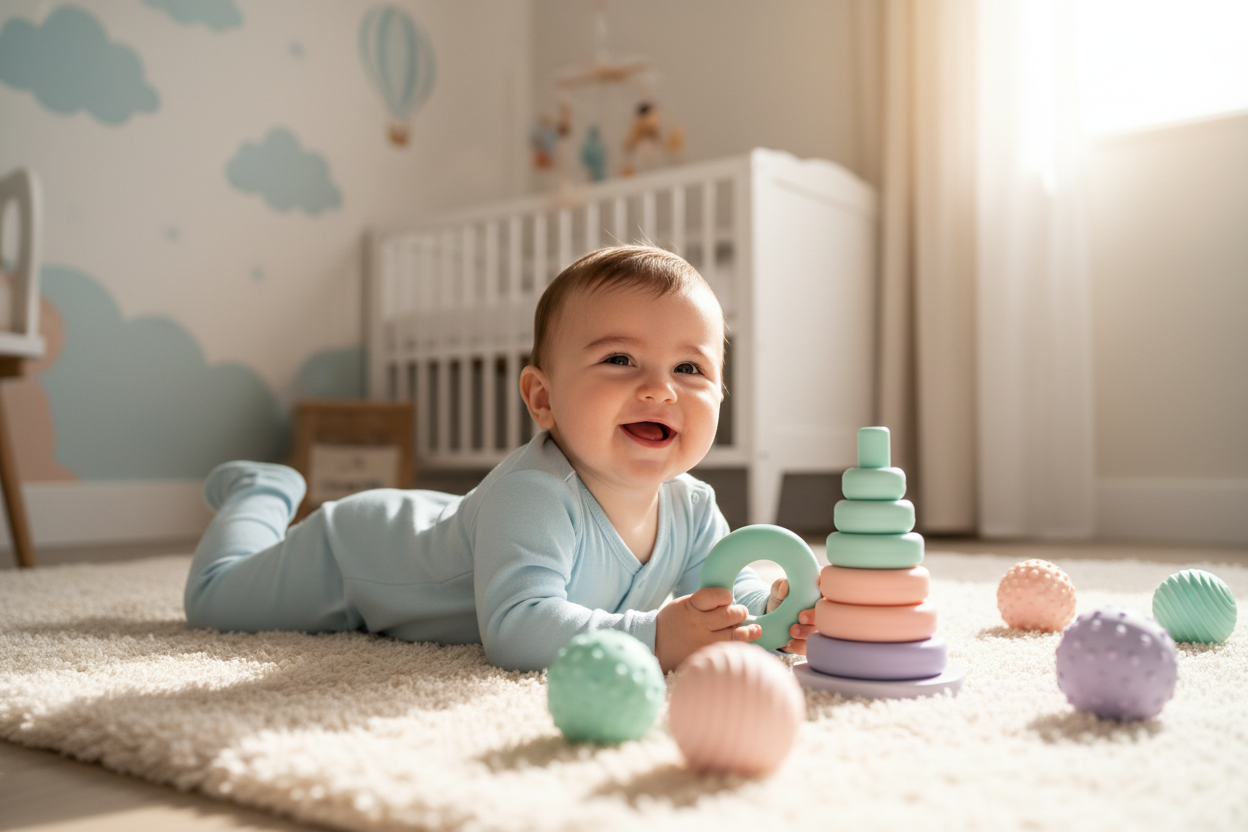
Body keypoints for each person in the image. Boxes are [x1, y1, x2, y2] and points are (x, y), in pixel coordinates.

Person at [184, 245, 817, 672]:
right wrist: (655, 637)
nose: (660, 388)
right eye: (619, 359)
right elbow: (517, 628)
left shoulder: (693, 506)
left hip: (453, 522)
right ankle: (262, 492)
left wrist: (770, 611)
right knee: (214, 603)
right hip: (355, 555)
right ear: (542, 398)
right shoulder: (537, 493)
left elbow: (722, 591)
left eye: (690, 367)